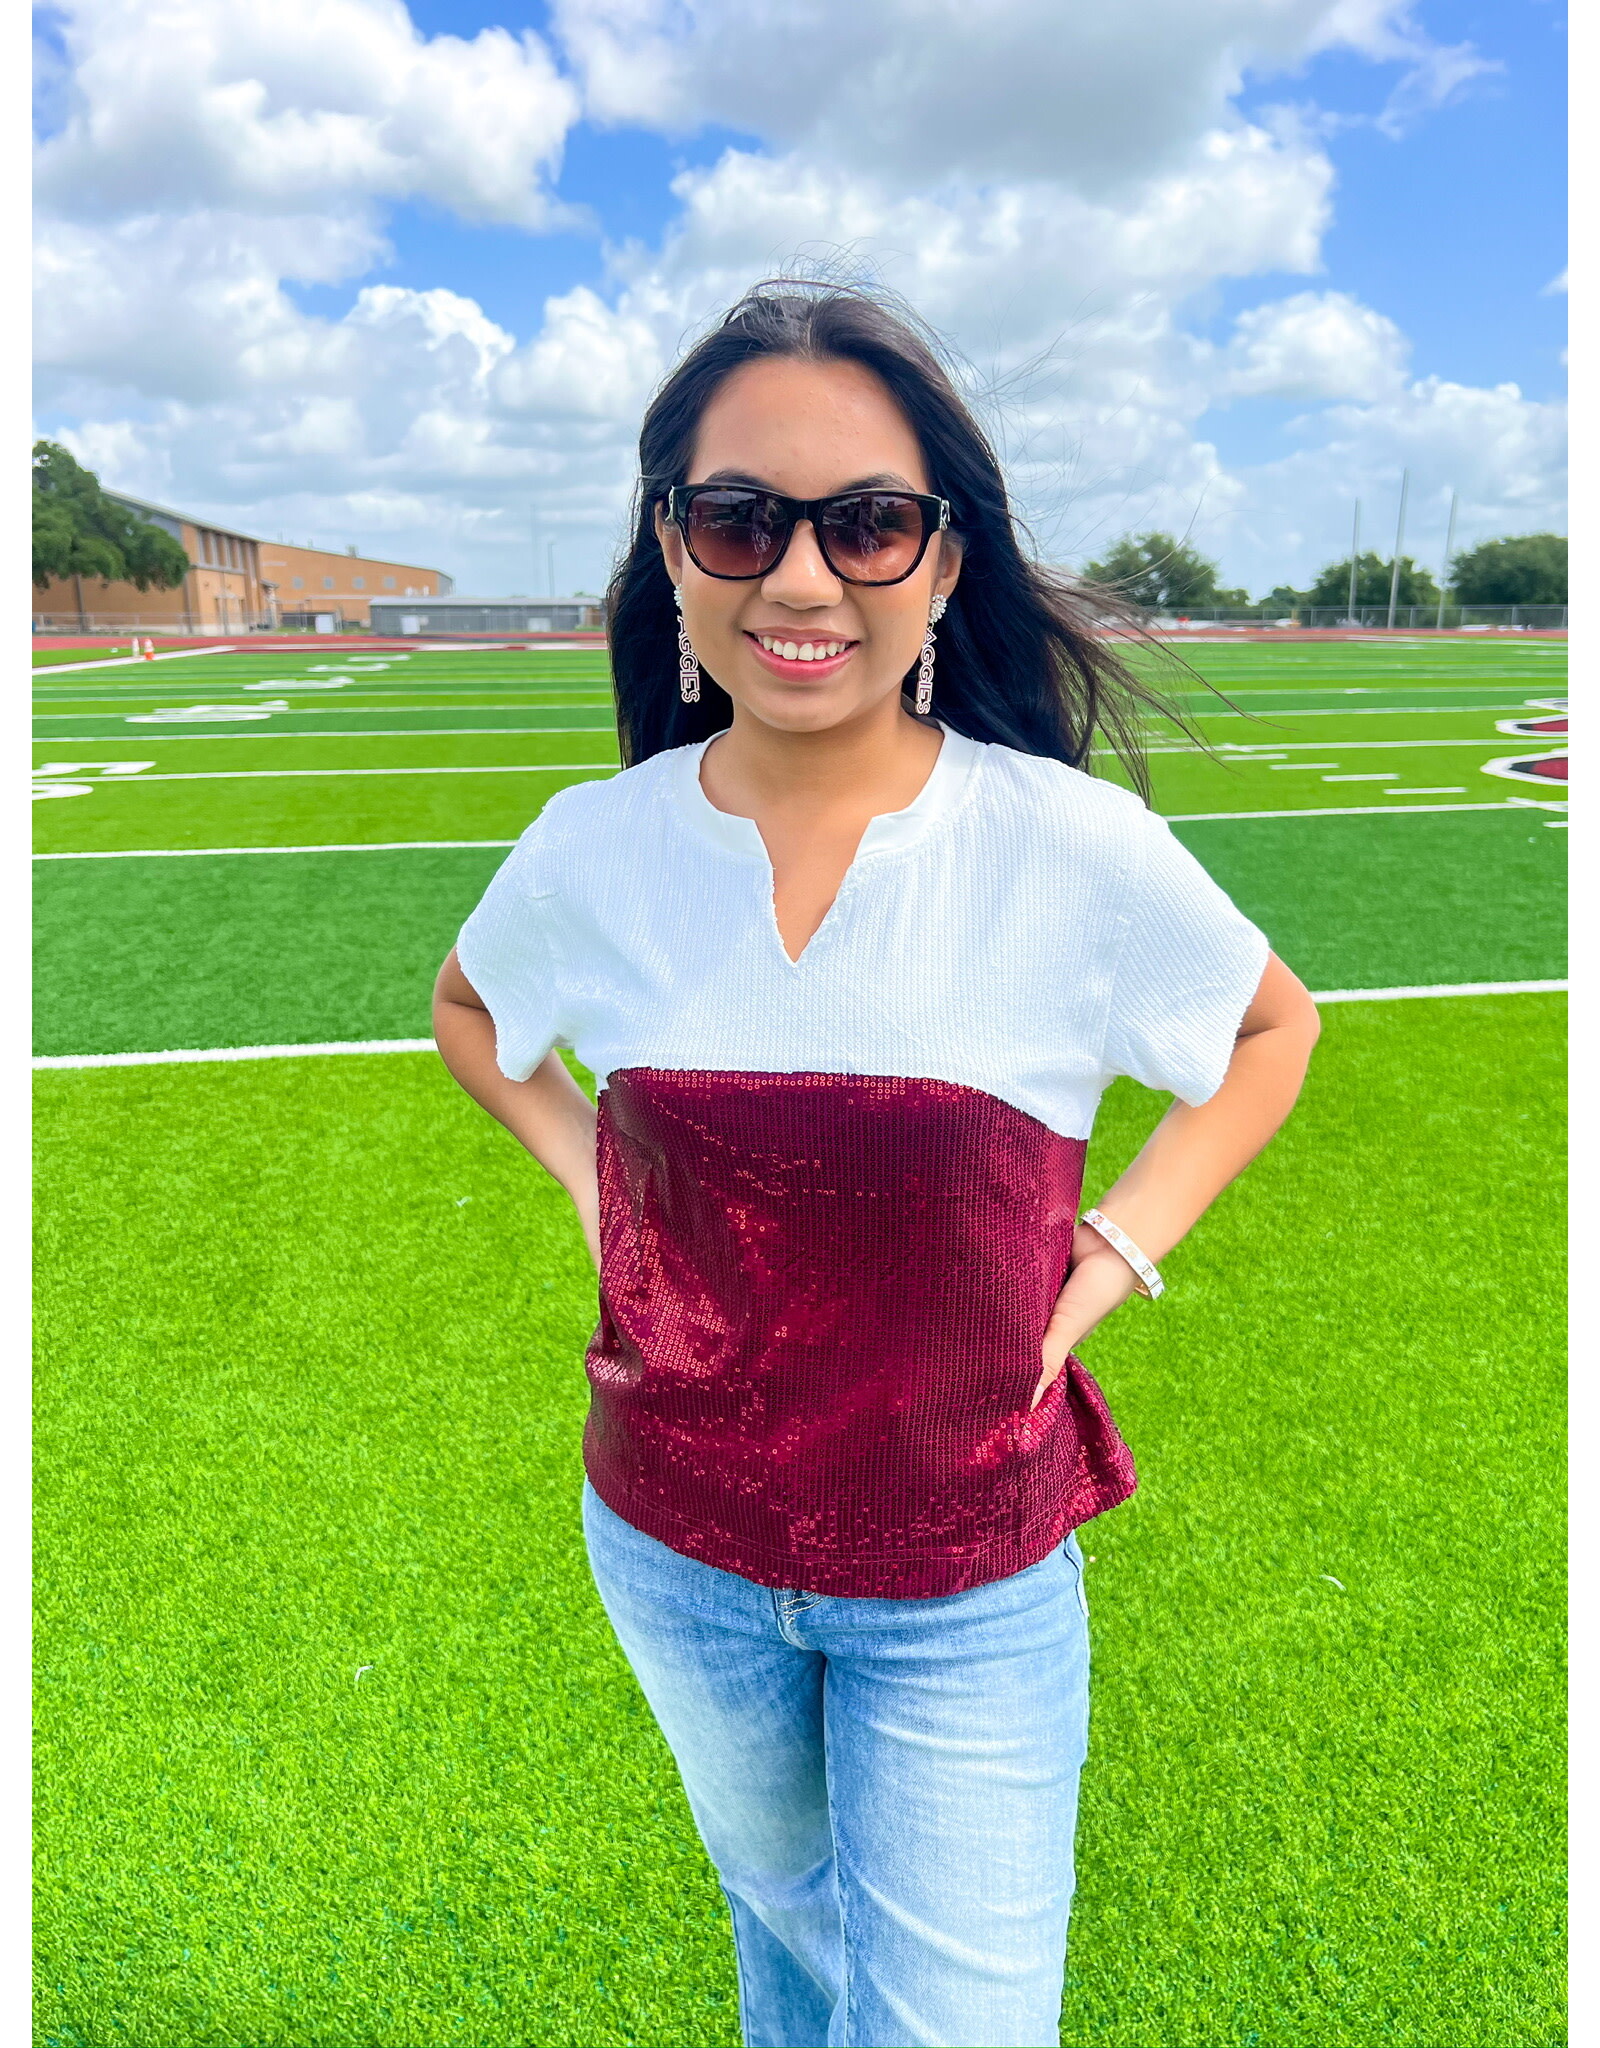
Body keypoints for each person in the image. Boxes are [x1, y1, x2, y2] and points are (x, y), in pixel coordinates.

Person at [434, 281, 1320, 2048]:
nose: (804, 576)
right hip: (674, 1539)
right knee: (789, 1925)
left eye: (872, 521)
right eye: (741, 516)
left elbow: (1269, 1033)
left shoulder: (1068, 846)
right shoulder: (594, 848)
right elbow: (471, 1011)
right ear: (675, 552)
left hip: (966, 1571)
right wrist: (594, 1170)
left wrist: (1126, 1243)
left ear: (946, 561)